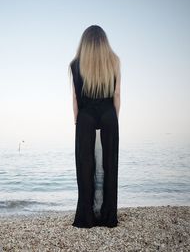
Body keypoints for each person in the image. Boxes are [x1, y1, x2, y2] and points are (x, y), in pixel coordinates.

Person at [69, 25, 121, 228]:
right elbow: (117, 94)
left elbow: (74, 98)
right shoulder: (114, 61)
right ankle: (108, 217)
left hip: (86, 118)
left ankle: (86, 217)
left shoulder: (75, 64)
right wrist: (114, 119)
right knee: (109, 165)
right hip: (108, 117)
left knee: (86, 166)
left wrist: (77, 121)